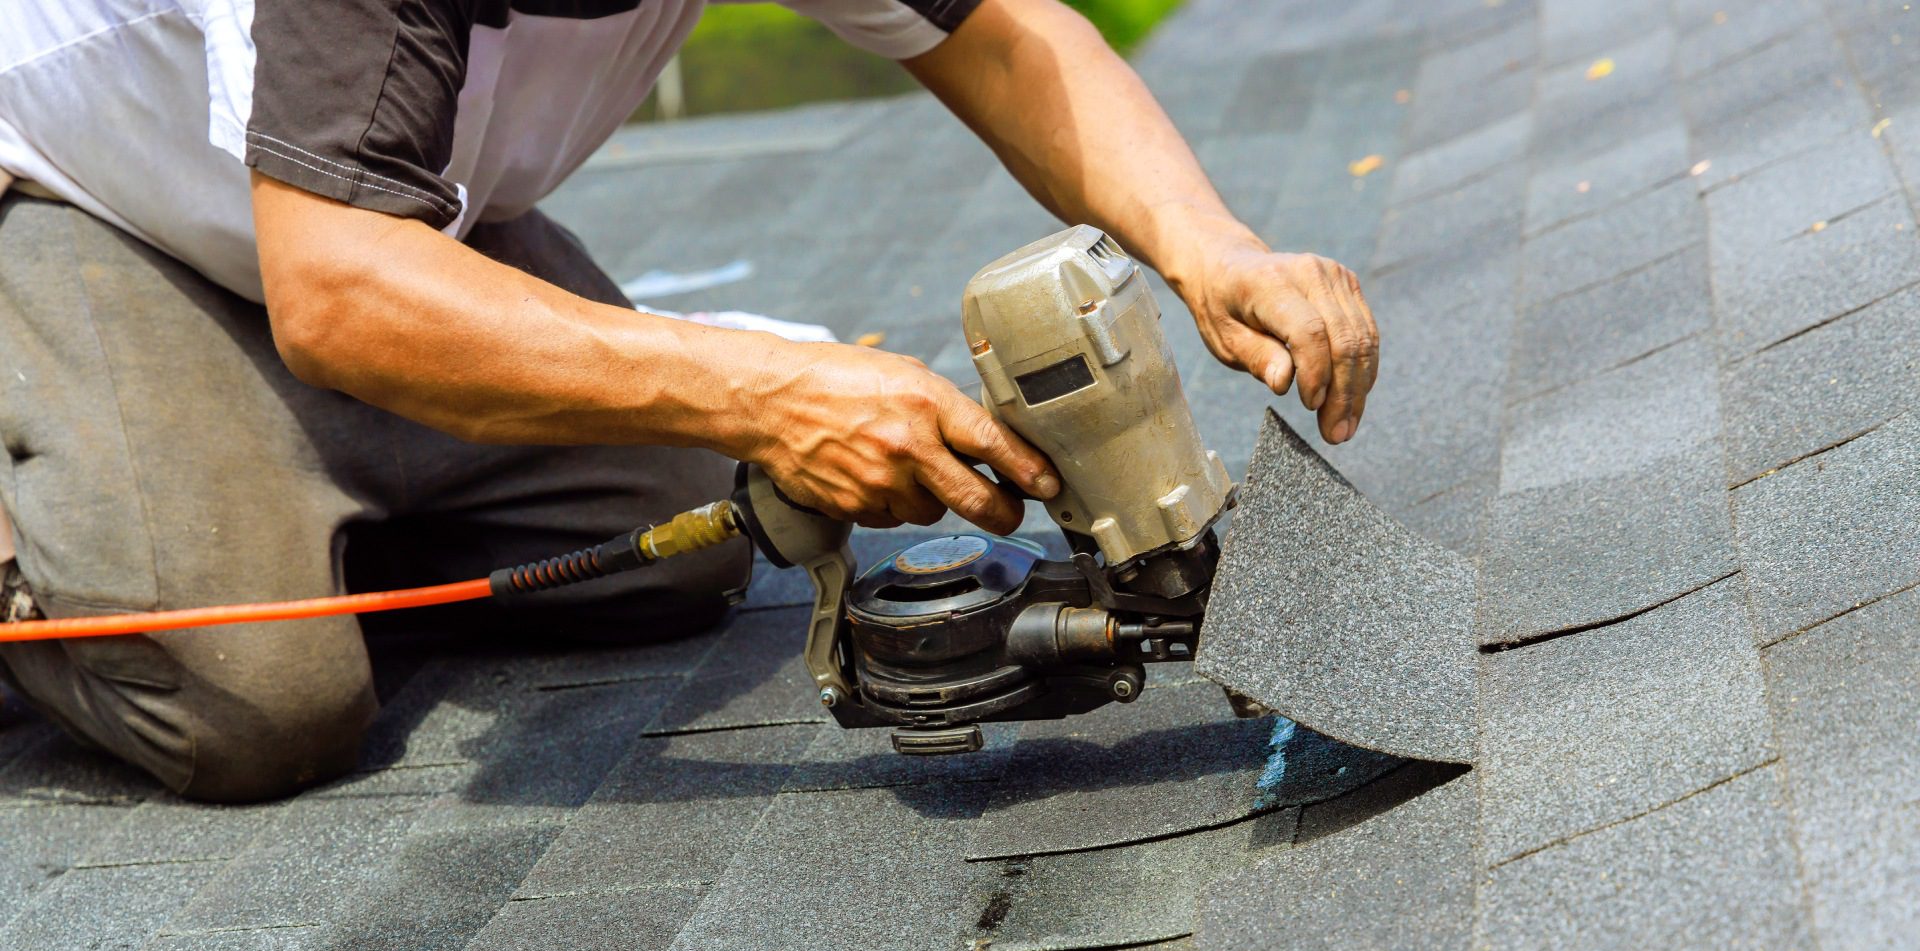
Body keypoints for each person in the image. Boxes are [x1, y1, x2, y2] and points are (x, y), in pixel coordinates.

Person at [0, 0, 1379, 801]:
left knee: (715, 519)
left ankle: (295, 498)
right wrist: (774, 388)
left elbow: (1006, 41)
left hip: (371, 223)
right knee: (257, 695)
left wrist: (1212, 246)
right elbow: (336, 292)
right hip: (78, 206)